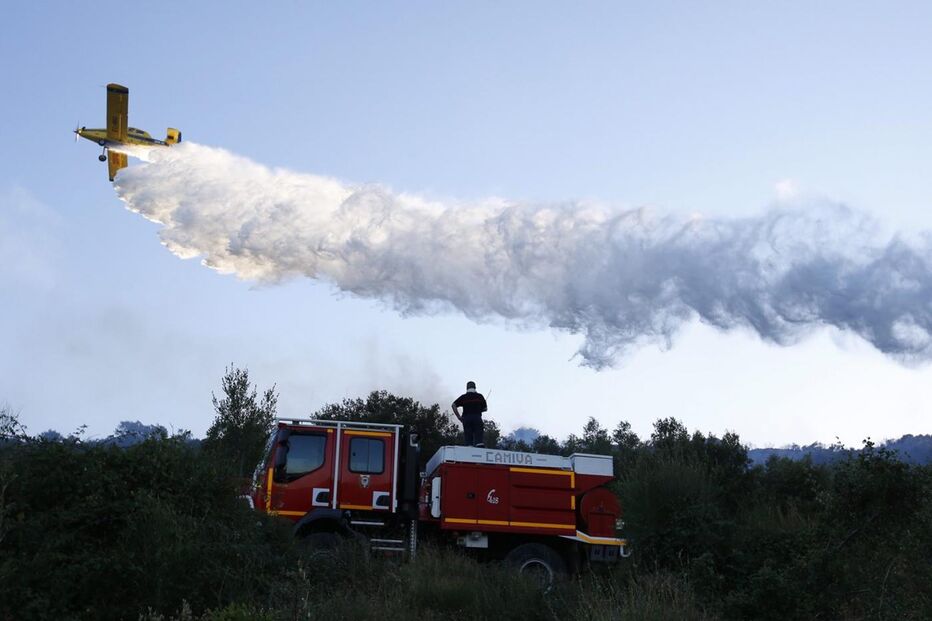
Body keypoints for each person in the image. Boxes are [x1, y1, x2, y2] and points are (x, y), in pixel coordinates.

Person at [451, 381, 488, 447]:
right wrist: (478, 409)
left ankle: (469, 450)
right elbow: (485, 409)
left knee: (468, 442)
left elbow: (453, 405)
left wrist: (459, 417)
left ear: (466, 388)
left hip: (466, 419)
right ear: (475, 387)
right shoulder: (480, 396)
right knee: (479, 441)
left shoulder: (463, 397)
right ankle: (479, 449)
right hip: (477, 418)